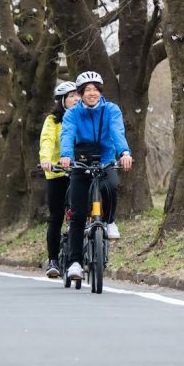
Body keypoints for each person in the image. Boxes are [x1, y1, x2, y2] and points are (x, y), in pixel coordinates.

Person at [59, 70, 133, 281]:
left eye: (95, 89)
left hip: (106, 157)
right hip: (80, 161)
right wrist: (65, 155)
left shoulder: (111, 110)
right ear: (81, 93)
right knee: (78, 214)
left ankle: (109, 221)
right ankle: (74, 262)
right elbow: (67, 134)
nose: (92, 93)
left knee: (111, 185)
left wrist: (125, 153)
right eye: (87, 90)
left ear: (100, 91)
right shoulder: (72, 113)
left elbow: (117, 132)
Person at [39, 81, 80, 278]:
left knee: (78, 214)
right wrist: (46, 160)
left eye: (77, 95)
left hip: (79, 171)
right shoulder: (52, 120)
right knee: (56, 216)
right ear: (62, 100)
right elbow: (47, 141)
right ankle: (53, 260)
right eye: (71, 96)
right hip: (57, 172)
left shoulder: (82, 116)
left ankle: (80, 256)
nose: (76, 99)